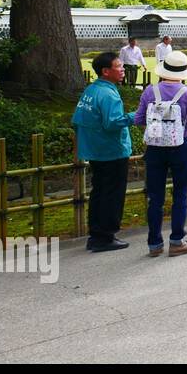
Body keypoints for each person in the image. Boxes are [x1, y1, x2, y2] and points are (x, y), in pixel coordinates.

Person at [134, 50, 187, 257]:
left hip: (154, 148)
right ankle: (177, 240)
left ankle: (154, 244)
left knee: (155, 197)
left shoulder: (149, 91)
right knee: (180, 193)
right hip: (180, 146)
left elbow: (138, 120)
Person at [71, 52, 136, 252]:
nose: (123, 69)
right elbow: (113, 122)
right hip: (111, 150)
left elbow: (77, 120)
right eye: (119, 66)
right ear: (106, 71)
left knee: (99, 191)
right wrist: (136, 116)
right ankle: (106, 235)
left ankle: (97, 233)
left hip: (94, 149)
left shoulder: (91, 90)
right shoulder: (108, 94)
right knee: (112, 194)